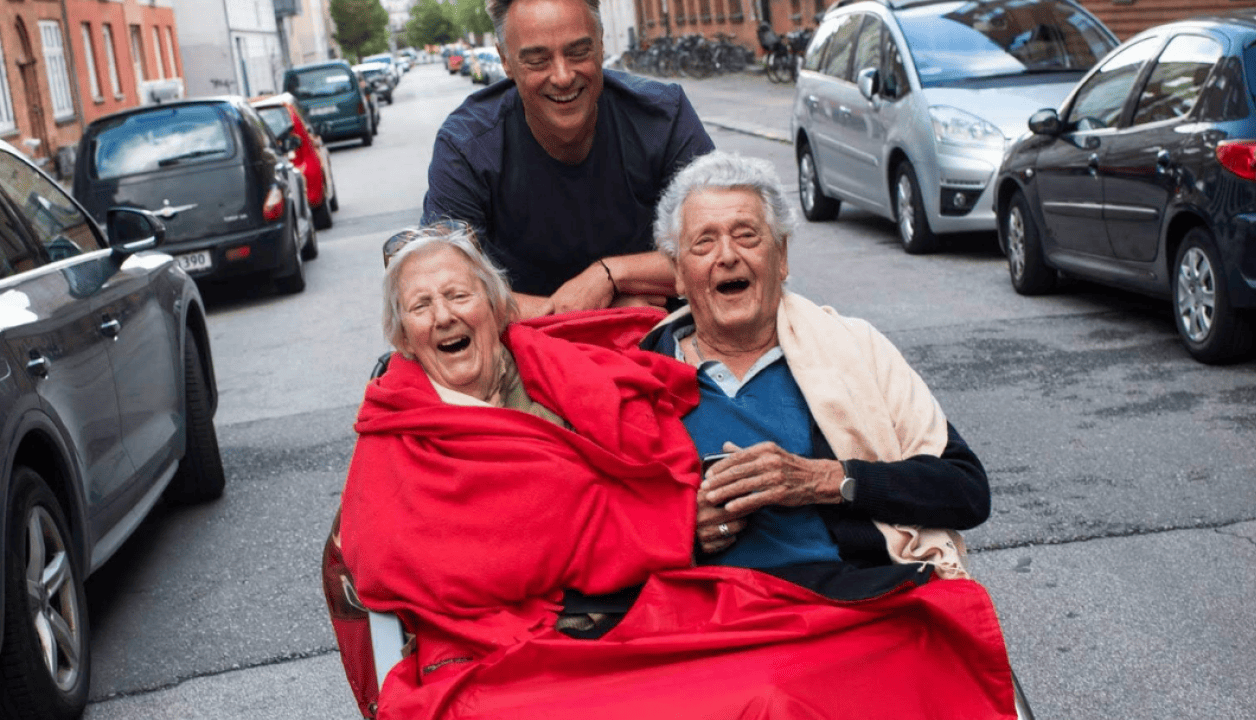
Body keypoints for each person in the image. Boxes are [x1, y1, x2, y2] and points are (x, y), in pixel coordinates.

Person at [332, 219, 1016, 720]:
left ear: (496, 307)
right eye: (421, 306)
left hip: (654, 601)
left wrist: (819, 479)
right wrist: (666, 524)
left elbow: (642, 433)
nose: (444, 316)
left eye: (459, 296)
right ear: (402, 335)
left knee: (829, 665)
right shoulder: (398, 425)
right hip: (529, 642)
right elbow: (392, 558)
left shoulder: (563, 363)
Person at [642, 150, 991, 588]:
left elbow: (966, 490)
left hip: (847, 600)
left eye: (747, 235)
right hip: (701, 616)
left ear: (781, 256)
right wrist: (680, 529)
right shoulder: (638, 374)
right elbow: (582, 529)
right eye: (704, 243)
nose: (727, 256)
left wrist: (828, 480)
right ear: (676, 273)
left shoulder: (853, 347)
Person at [420, 0, 715, 320]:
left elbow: (723, 250)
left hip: (659, 336)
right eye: (537, 60)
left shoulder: (662, 117)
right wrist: (585, 315)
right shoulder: (468, 147)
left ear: (601, 45)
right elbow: (441, 286)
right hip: (526, 350)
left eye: (578, 53)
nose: (562, 76)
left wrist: (611, 274)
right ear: (505, 61)